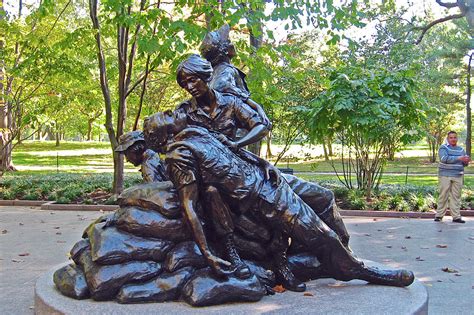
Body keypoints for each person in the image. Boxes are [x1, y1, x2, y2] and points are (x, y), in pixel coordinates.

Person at [143, 110, 415, 291]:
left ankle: (337, 257)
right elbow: (189, 206)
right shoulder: (178, 156)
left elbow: (236, 151)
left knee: (324, 198)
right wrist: (208, 254)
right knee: (324, 236)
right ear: (163, 135)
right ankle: (361, 271)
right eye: (166, 115)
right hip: (261, 197)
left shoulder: (196, 132)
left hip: (269, 177)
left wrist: (265, 163)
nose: (174, 111)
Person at [175, 54, 350, 247]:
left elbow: (261, 126)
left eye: (193, 80)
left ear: (206, 76)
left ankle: (342, 248)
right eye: (184, 84)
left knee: (323, 196)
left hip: (249, 168)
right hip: (225, 181)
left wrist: (237, 144)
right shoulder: (184, 113)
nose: (189, 87)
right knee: (288, 211)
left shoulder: (230, 103)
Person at [436, 131, 470, 223]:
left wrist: (466, 161)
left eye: (455, 137)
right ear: (448, 139)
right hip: (445, 175)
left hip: (458, 175)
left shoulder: (461, 150)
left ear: (457, 138)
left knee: (456, 196)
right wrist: (459, 158)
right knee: (443, 195)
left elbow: (464, 164)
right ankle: (439, 215)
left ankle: (456, 217)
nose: (453, 139)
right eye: (451, 137)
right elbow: (444, 159)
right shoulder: (443, 148)